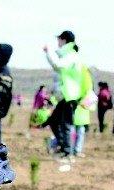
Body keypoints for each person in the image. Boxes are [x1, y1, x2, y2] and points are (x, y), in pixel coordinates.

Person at [43, 30, 83, 162]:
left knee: (65, 125)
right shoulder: (68, 55)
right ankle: (64, 148)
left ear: (64, 40)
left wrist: (48, 52)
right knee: (54, 121)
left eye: (59, 40)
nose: (58, 43)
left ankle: (67, 153)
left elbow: (58, 66)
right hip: (65, 96)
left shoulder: (71, 55)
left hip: (69, 96)